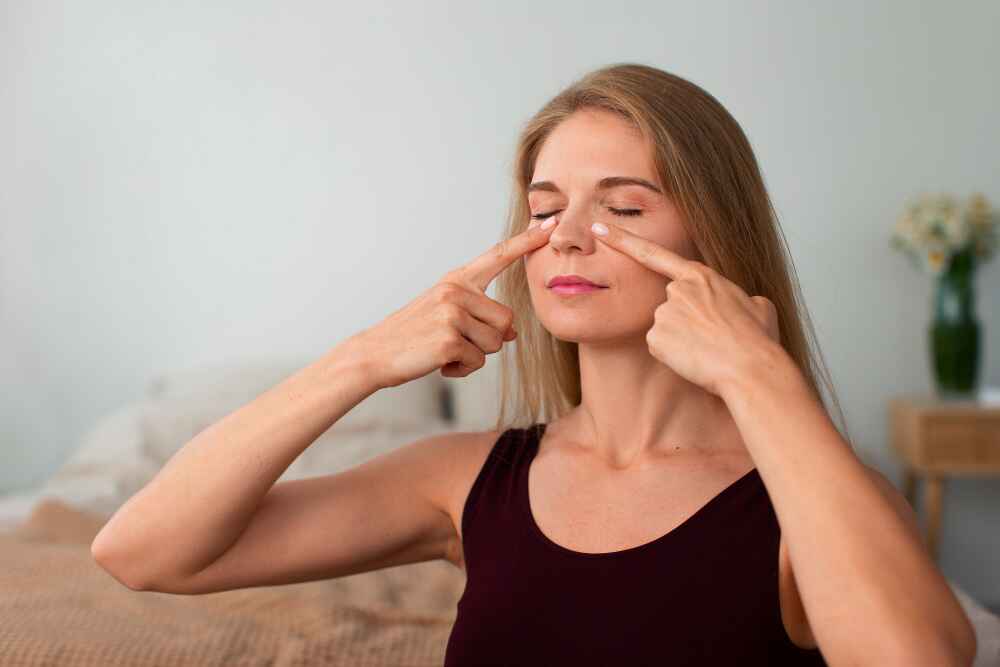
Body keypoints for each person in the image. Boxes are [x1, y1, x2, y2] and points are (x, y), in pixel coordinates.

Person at [90, 63, 977, 666]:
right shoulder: (469, 480)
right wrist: (361, 360)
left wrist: (758, 374)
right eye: (546, 210)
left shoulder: (811, 503)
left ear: (715, 237)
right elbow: (140, 551)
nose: (572, 238)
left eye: (623, 206)